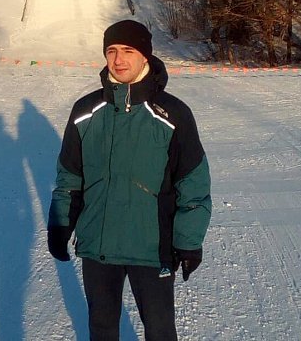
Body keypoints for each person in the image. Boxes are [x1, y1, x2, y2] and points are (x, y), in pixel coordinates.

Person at [47, 19, 211, 340]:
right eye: (111, 51)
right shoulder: (85, 111)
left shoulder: (173, 114)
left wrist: (189, 242)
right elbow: (69, 176)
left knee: (160, 330)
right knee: (103, 329)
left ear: (145, 56)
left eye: (127, 50)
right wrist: (60, 225)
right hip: (98, 246)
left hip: (152, 247)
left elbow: (192, 183)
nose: (118, 59)